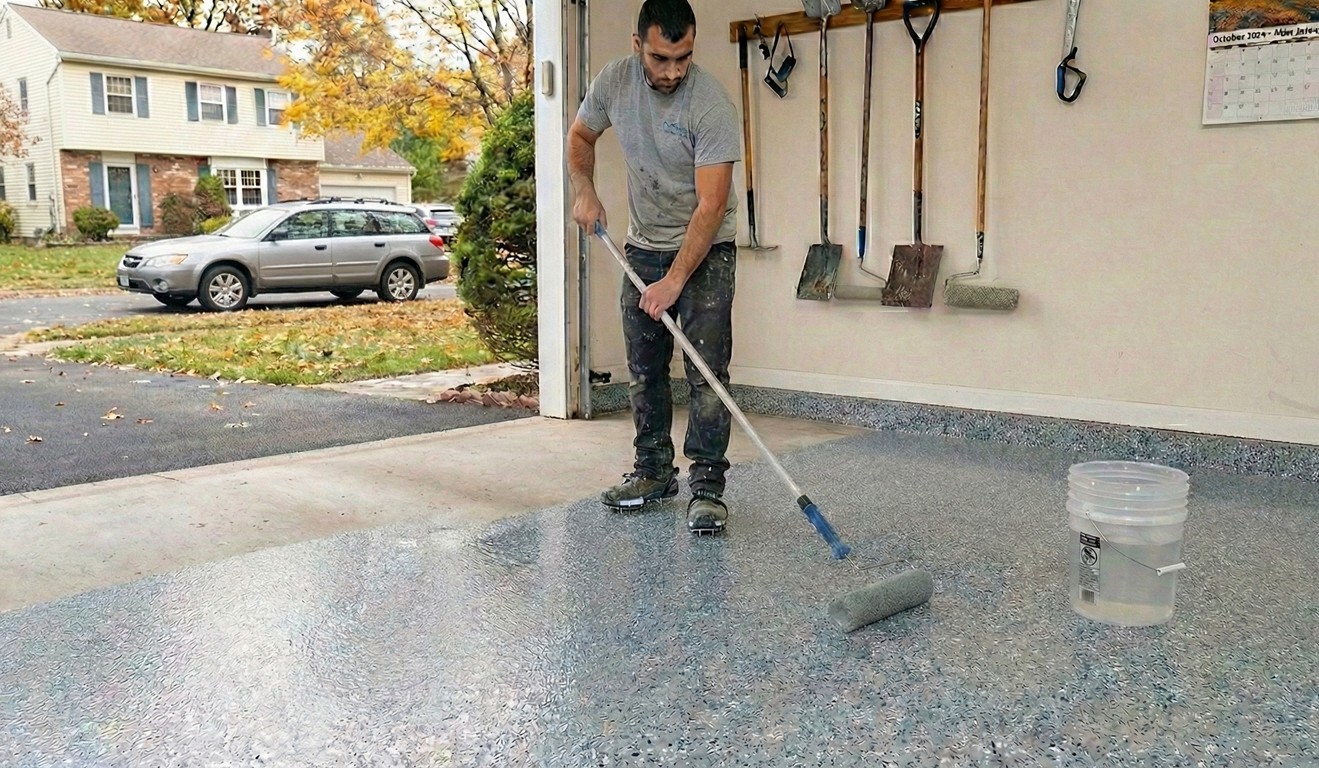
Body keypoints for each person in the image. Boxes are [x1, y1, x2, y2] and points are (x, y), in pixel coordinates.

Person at [567, 0, 741, 534]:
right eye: (662, 58)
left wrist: (674, 281)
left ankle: (707, 489)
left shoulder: (710, 104)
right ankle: (653, 472)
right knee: (645, 370)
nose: (672, 71)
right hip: (642, 245)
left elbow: (710, 208)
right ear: (637, 43)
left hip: (705, 248)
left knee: (706, 373)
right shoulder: (615, 80)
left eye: (683, 58)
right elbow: (580, 136)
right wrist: (586, 192)